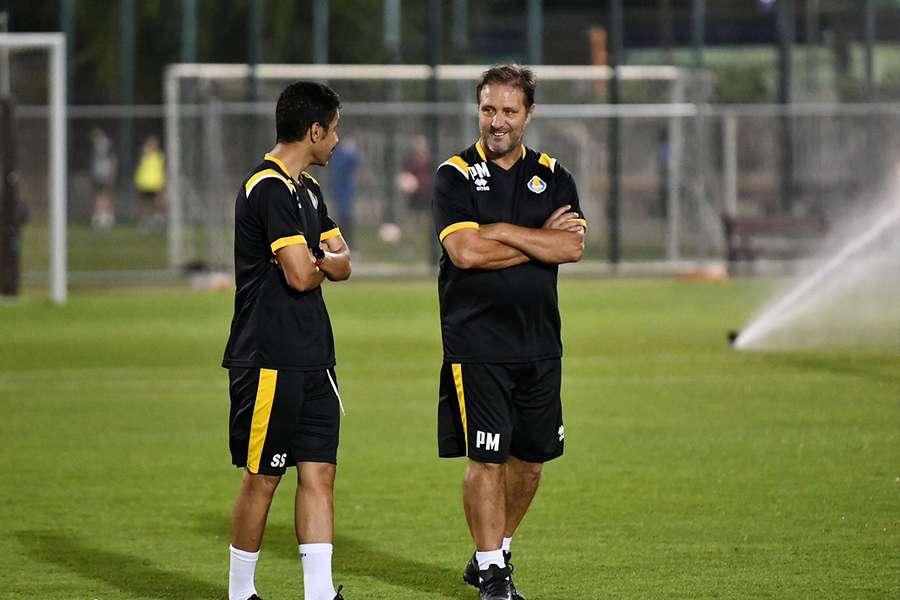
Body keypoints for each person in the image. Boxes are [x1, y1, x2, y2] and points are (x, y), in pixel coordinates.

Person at [432, 64, 586, 600]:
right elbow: (464, 252)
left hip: (541, 342)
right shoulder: (452, 175)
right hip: (477, 344)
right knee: (488, 458)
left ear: (529, 114)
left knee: (531, 461)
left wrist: (497, 231)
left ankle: (490, 550)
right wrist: (533, 240)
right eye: (488, 109)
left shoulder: (554, 175)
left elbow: (571, 247)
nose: (496, 122)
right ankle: (495, 575)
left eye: (508, 111)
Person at [222, 81, 352, 600]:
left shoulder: (308, 190)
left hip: (314, 357)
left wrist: (319, 260)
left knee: (319, 472)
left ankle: (319, 595)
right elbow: (302, 275)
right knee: (264, 477)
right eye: (334, 130)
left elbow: (341, 261)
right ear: (314, 130)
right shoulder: (268, 187)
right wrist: (321, 261)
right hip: (268, 358)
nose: (337, 141)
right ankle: (241, 593)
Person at [327, 138, 362, 247]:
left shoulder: (338, 155)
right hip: (342, 192)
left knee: (343, 218)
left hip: (343, 192)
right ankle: (345, 245)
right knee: (344, 219)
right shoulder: (342, 155)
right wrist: (351, 150)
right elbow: (357, 159)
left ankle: (343, 244)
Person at [134, 135, 166, 232]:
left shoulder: (160, 156)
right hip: (144, 184)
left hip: (156, 184)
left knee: (158, 204)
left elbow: (163, 170)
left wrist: (164, 183)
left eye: (153, 144)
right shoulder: (142, 156)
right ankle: (146, 223)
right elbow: (139, 169)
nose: (152, 146)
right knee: (145, 205)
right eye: (150, 144)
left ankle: (159, 222)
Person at [89, 128, 117, 230]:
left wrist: (112, 173)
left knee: (106, 196)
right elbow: (94, 162)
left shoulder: (108, 145)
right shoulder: (95, 146)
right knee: (98, 196)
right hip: (98, 174)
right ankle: (99, 217)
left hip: (106, 174)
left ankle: (108, 218)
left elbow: (113, 160)